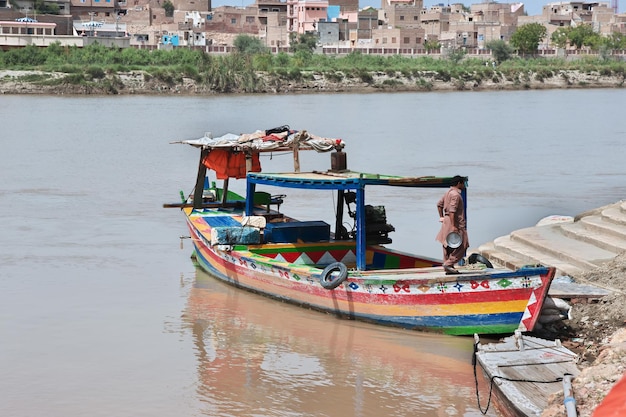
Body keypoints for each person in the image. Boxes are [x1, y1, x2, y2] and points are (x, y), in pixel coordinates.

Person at [436, 175, 469, 275]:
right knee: (463, 244)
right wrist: (454, 226)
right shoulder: (456, 195)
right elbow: (452, 211)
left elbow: (439, 204)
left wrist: (442, 217)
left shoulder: (448, 193)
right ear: (459, 183)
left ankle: (448, 268)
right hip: (455, 222)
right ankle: (448, 264)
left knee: (448, 245)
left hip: (447, 221)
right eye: (463, 183)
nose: (464, 185)